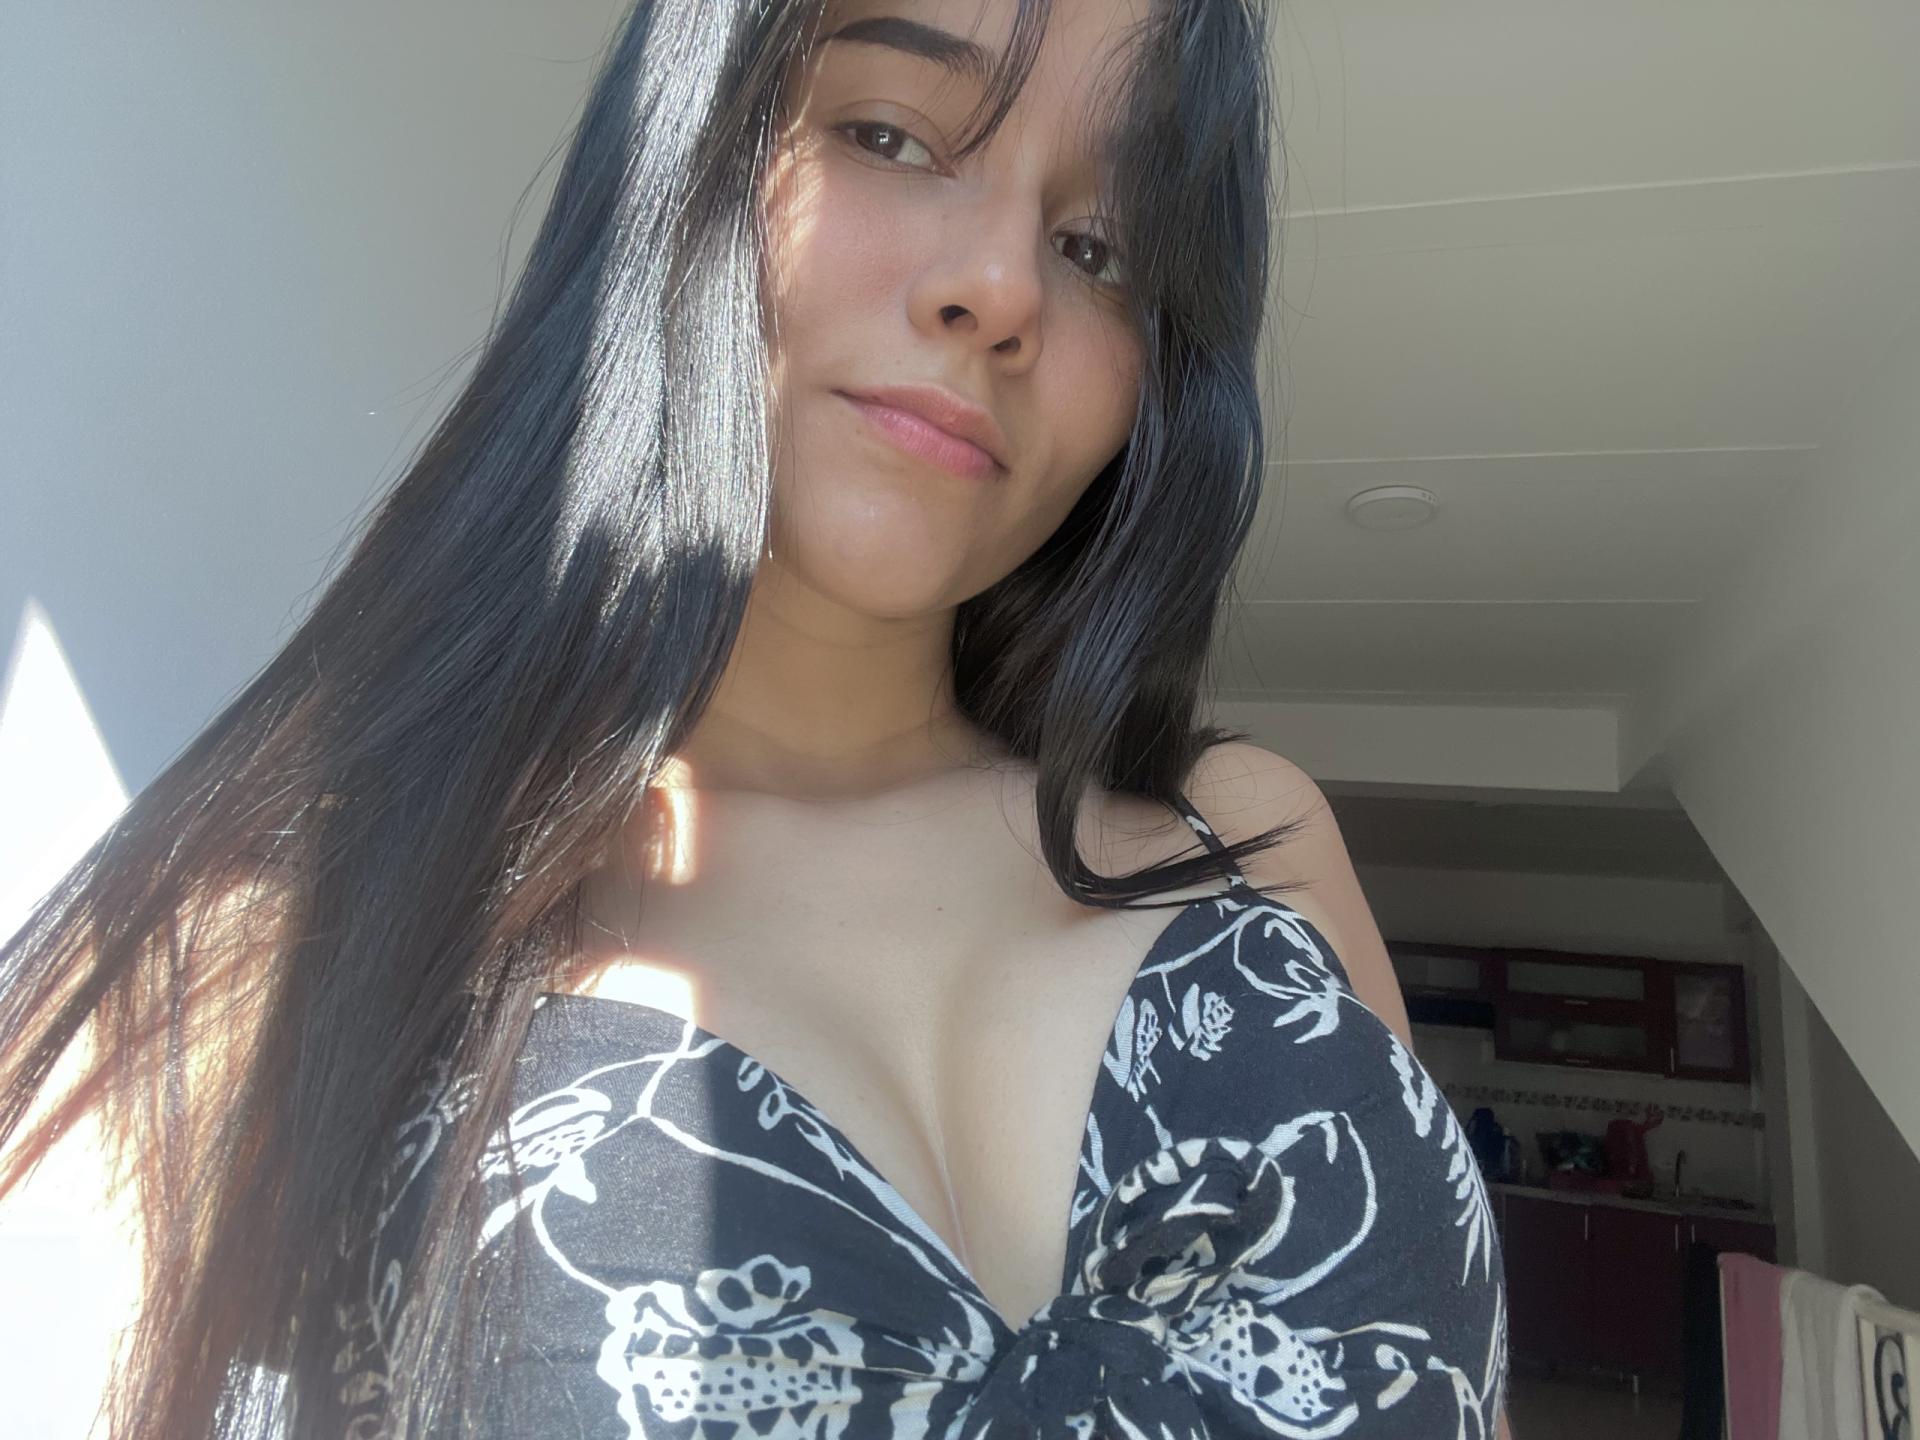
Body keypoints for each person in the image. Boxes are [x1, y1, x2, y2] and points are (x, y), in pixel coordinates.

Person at [0, 0, 1512, 1435]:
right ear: (694, 150)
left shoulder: (1241, 838)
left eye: (1100, 246)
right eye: (889, 135)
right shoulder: (284, 933)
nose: (1002, 288)